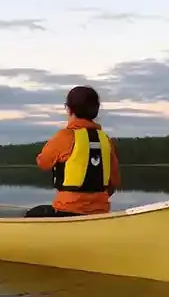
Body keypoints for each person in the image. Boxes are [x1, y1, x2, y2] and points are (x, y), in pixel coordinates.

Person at [26, 85, 121, 218]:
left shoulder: (65, 136)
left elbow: (43, 163)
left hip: (67, 209)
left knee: (31, 215)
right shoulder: (105, 140)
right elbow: (114, 182)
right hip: (100, 211)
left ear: (69, 109)